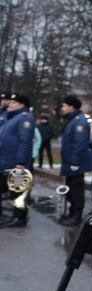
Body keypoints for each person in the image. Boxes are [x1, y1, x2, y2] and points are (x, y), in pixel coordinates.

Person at [0, 93, 35, 227]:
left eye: (14, 103)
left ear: (22, 105)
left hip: (17, 162)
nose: (10, 104)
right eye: (11, 102)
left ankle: (20, 218)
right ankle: (16, 216)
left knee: (19, 190)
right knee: (14, 190)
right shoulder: (14, 117)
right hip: (8, 160)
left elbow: (25, 142)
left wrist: (21, 162)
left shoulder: (25, 118)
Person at [59, 95, 91, 226]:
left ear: (71, 107)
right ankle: (72, 212)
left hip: (75, 163)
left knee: (76, 190)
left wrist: (75, 162)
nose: (63, 108)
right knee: (70, 189)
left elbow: (80, 144)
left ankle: (77, 215)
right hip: (69, 161)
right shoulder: (72, 120)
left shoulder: (79, 122)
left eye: (64, 106)